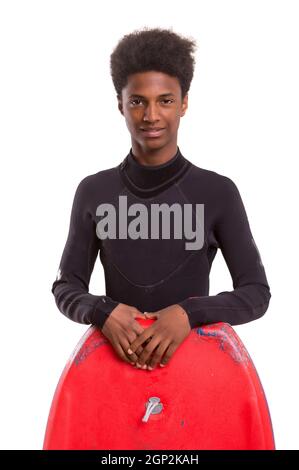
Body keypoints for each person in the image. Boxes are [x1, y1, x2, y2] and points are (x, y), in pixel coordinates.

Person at [51, 27, 271, 372]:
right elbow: (66, 288)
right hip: (114, 373)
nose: (151, 116)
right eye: (137, 101)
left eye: (165, 100)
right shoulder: (94, 192)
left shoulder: (217, 192)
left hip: (197, 374)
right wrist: (103, 311)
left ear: (183, 103)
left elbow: (256, 294)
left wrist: (189, 313)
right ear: (120, 104)